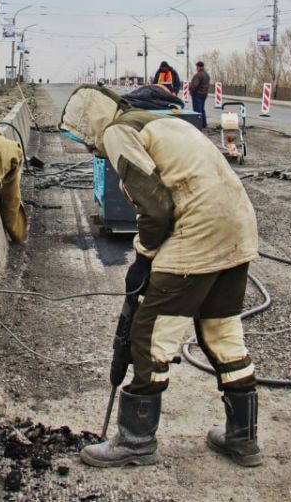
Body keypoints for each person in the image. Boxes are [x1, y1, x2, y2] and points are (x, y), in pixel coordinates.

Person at [58, 84, 262, 468]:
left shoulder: (118, 131)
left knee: (149, 333)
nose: (88, 149)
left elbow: (155, 209)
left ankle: (136, 441)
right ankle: (243, 439)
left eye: (84, 139)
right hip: (238, 225)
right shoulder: (168, 122)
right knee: (222, 332)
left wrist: (144, 255)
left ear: (93, 123)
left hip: (198, 229)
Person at [188, 61, 212, 127]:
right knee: (202, 110)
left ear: (198, 67)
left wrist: (191, 90)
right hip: (204, 95)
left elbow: (194, 85)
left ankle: (198, 125)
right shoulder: (207, 75)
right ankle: (204, 124)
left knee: (197, 111)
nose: (196, 68)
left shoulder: (198, 75)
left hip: (197, 95)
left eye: (197, 67)